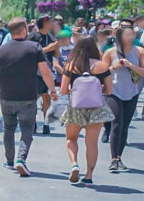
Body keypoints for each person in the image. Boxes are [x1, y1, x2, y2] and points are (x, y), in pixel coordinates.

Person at [0, 17, 58, 177]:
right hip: (28, 96)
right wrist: (52, 90)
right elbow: (46, 72)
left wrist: (0, 88)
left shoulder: (1, 49)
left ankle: (9, 161)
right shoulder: (34, 48)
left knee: (8, 128)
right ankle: (21, 159)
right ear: (25, 30)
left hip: (7, 96)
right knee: (27, 128)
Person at [59, 37, 114, 184]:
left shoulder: (71, 65)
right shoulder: (102, 66)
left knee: (71, 138)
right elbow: (109, 91)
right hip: (96, 108)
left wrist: (73, 88)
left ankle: (74, 164)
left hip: (76, 107)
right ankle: (89, 176)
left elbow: (63, 90)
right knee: (91, 143)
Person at [101, 27, 144, 172]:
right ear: (120, 36)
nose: (131, 37)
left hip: (132, 91)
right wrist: (115, 66)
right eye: (128, 34)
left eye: (132, 34)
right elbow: (102, 71)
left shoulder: (139, 51)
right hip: (113, 91)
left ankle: (119, 157)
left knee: (125, 125)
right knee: (117, 123)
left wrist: (131, 65)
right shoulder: (110, 52)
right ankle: (113, 160)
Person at [28, 15, 60, 135]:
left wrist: (56, 47)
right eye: (50, 21)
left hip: (47, 70)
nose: (52, 23)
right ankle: (33, 122)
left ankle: (46, 123)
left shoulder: (50, 37)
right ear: (44, 22)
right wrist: (47, 49)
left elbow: (56, 55)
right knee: (34, 98)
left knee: (47, 97)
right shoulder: (33, 36)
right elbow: (30, 52)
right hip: (35, 72)